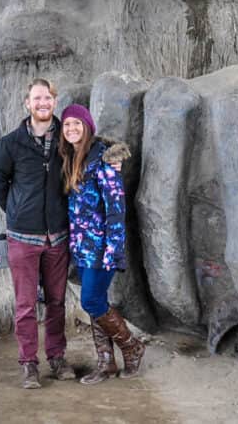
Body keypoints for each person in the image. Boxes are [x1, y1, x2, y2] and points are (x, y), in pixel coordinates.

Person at [0, 78, 77, 388]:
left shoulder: (67, 140)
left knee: (56, 301)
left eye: (48, 98)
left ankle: (57, 356)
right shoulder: (10, 144)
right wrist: (17, 212)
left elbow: (86, 157)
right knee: (25, 304)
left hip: (58, 237)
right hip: (23, 239)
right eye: (37, 98)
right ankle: (28, 363)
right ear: (28, 103)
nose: (43, 103)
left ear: (55, 102)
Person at [59, 103, 145, 384]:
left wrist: (113, 251)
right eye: (67, 124)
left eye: (77, 124)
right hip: (81, 248)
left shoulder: (103, 159)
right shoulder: (72, 158)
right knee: (97, 303)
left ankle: (132, 347)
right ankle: (106, 364)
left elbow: (115, 208)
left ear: (87, 127)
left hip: (101, 248)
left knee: (92, 300)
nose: (72, 129)